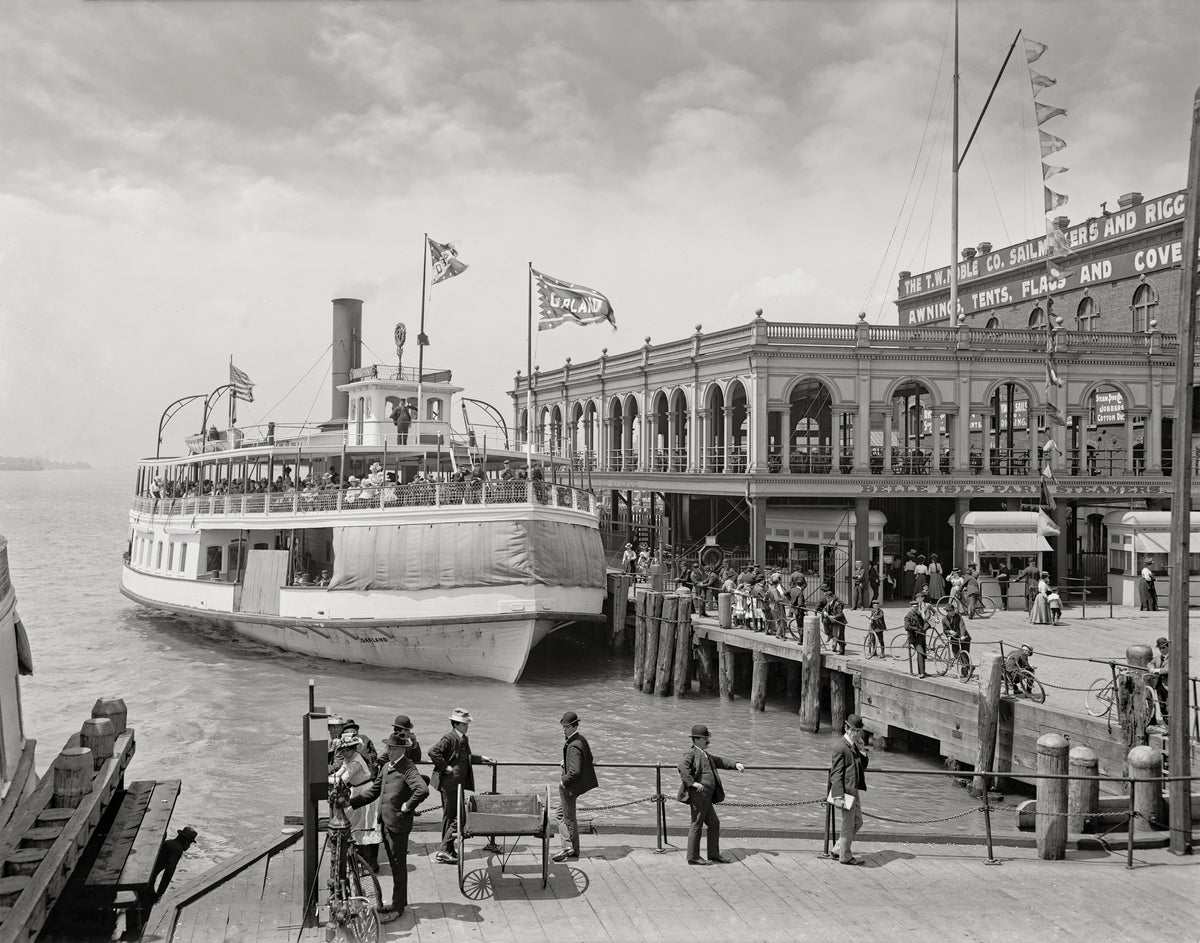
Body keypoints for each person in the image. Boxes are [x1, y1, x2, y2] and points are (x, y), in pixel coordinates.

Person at [347, 727, 429, 922]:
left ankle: (398, 907)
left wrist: (408, 806)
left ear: (402, 750)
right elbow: (373, 792)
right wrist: (349, 803)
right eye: (389, 748)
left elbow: (423, 789)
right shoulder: (387, 767)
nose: (389, 751)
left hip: (398, 825)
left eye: (393, 748)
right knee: (394, 865)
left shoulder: (408, 768)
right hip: (385, 823)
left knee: (398, 867)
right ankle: (396, 902)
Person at [428, 708, 494, 864]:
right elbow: (432, 752)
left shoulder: (463, 738)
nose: (467, 726)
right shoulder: (449, 738)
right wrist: (446, 767)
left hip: (458, 785)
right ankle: (444, 850)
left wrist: (482, 758)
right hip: (450, 784)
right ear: (456, 724)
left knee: (452, 817)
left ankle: (449, 849)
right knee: (454, 817)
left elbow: (467, 757)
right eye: (464, 724)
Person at [676, 724, 745, 865]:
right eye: (705, 738)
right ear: (696, 740)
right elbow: (682, 767)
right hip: (698, 795)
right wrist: (693, 783)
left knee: (714, 823)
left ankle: (713, 854)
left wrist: (735, 764)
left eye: (707, 738)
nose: (708, 740)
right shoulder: (691, 753)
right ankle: (693, 857)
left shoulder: (705, 754)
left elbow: (720, 761)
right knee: (696, 824)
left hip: (706, 797)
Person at [330, 730, 384, 873]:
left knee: (368, 824)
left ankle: (371, 863)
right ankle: (361, 860)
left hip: (365, 791)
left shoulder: (356, 761)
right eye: (343, 750)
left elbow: (343, 778)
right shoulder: (349, 760)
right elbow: (340, 772)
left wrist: (327, 780)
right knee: (356, 823)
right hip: (356, 790)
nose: (345, 752)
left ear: (354, 748)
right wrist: (328, 778)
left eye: (348, 750)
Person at [554, 711, 597, 862]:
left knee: (566, 817)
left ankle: (568, 847)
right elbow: (589, 758)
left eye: (566, 727)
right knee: (564, 815)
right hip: (575, 786)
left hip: (569, 787)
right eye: (563, 727)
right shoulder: (581, 740)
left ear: (573, 726)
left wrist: (563, 781)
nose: (563, 730)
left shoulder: (573, 745)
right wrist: (565, 762)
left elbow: (575, 771)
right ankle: (573, 849)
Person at [827, 713, 869, 866]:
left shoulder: (854, 745)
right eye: (853, 730)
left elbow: (863, 765)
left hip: (854, 791)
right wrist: (838, 796)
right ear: (846, 728)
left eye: (858, 730)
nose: (856, 733)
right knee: (848, 825)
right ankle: (845, 856)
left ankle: (838, 849)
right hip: (845, 793)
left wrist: (862, 749)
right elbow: (836, 774)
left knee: (858, 822)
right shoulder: (840, 747)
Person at [942, 604, 972, 679]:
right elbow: (945, 630)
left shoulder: (958, 616)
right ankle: (968, 668)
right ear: (947, 612)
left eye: (953, 610)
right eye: (951, 611)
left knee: (965, 653)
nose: (953, 612)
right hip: (954, 637)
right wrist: (950, 632)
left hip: (964, 637)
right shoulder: (944, 619)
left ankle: (964, 672)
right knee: (956, 653)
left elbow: (962, 626)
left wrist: (962, 636)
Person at [816, 586, 847, 654]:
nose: (827, 599)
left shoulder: (837, 604)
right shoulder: (828, 603)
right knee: (825, 621)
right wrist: (824, 612)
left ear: (831, 598)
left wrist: (834, 617)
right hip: (833, 620)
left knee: (840, 636)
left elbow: (840, 614)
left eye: (828, 598)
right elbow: (824, 608)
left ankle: (842, 649)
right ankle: (830, 635)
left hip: (840, 621)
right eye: (826, 598)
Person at [903, 599, 928, 678]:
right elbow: (907, 627)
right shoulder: (908, 616)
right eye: (914, 607)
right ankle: (921, 673)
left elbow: (922, 622)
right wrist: (916, 629)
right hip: (914, 638)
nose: (916, 608)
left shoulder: (918, 614)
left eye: (917, 607)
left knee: (923, 654)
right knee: (920, 653)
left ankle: (922, 671)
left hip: (921, 637)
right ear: (911, 607)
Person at [1149, 637, 1170, 726]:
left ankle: (1172, 728)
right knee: (1162, 707)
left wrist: (1156, 671)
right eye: (1160, 648)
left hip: (1169, 686)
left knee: (1170, 707)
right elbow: (1149, 663)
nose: (1162, 650)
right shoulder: (1158, 657)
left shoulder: (1173, 657)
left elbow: (1167, 670)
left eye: (1164, 648)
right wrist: (1151, 669)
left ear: (1168, 647)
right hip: (1159, 685)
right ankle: (1167, 727)